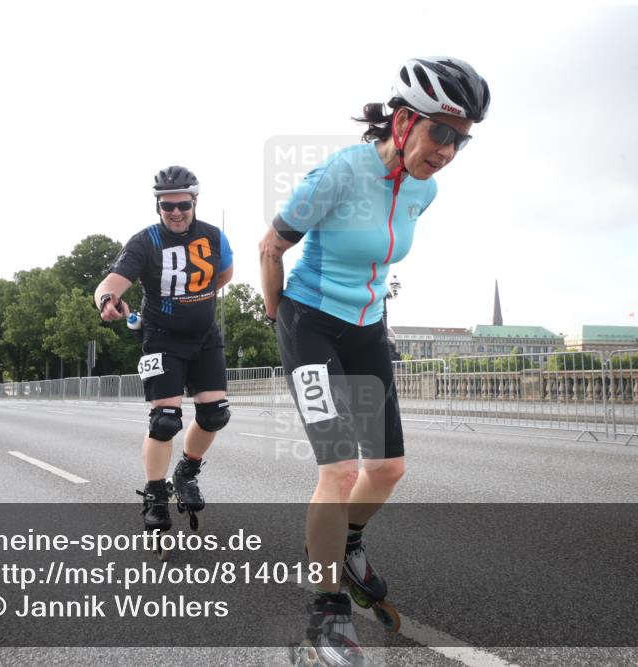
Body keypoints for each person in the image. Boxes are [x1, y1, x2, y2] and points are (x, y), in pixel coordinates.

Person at [259, 57, 490, 665]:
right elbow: (270, 245)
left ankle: (350, 539)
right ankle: (327, 613)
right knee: (336, 470)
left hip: (366, 329)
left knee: (387, 469)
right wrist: (273, 313)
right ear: (404, 119)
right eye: (440, 132)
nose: (448, 151)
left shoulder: (427, 189)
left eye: (460, 140)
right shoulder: (340, 173)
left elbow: (382, 259)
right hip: (309, 323)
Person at [95, 165, 234, 535]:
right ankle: (155, 496)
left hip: (205, 336)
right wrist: (107, 300)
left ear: (195, 202)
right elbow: (110, 283)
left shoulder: (214, 238)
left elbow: (224, 275)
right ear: (157, 206)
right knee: (166, 420)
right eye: (166, 206)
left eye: (183, 205)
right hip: (161, 338)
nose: (175, 212)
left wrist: (194, 299)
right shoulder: (146, 242)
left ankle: (186, 471)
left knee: (215, 415)